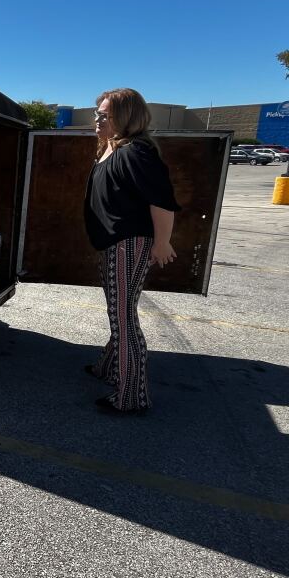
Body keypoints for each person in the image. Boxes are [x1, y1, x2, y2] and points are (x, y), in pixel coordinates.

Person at [82, 88, 181, 415]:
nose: (97, 118)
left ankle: (130, 397)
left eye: (105, 114)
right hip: (114, 244)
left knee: (123, 318)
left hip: (128, 244)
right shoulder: (112, 148)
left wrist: (163, 242)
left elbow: (162, 202)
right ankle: (108, 367)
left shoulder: (135, 152)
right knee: (119, 311)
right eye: (97, 113)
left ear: (126, 118)